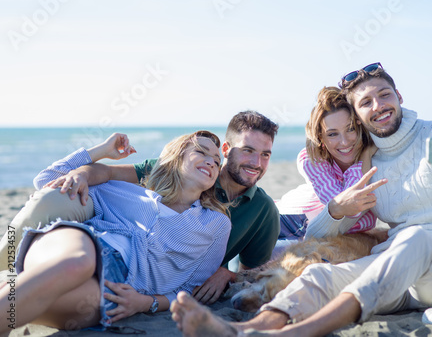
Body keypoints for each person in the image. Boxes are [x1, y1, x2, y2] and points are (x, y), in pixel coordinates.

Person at [169, 62, 432, 337]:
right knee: (319, 275)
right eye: (366, 102)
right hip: (400, 272)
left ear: (399, 96)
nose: (378, 106)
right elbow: (324, 230)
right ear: (358, 114)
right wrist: (338, 208)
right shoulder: (371, 161)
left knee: (414, 239)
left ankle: (295, 334)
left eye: (384, 95)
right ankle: (248, 331)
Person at [0, 110, 280, 305]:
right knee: (48, 197)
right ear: (228, 149)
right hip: (98, 224)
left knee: (68, 281)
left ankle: (15, 290)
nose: (256, 162)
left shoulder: (263, 210)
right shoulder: (176, 170)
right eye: (248, 150)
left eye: (265, 154)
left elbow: (252, 273)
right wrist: (84, 172)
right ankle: (5, 266)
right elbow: (107, 174)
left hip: (132, 268)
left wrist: (228, 273)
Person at [0, 130, 231, 332]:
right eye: (202, 151)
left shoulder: (216, 224)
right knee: (77, 262)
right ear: (177, 156)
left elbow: (190, 289)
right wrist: (100, 151)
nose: (211, 161)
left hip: (118, 286)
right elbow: (47, 181)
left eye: (217, 161)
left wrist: (146, 302)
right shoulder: (131, 192)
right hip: (82, 242)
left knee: (57, 305)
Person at [272, 86, 382, 257]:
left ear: (360, 126)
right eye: (332, 134)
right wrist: (365, 157)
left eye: (350, 129)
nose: (344, 141)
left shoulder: (379, 160)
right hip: (287, 221)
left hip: (322, 235)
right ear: (320, 137)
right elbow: (351, 205)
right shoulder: (311, 159)